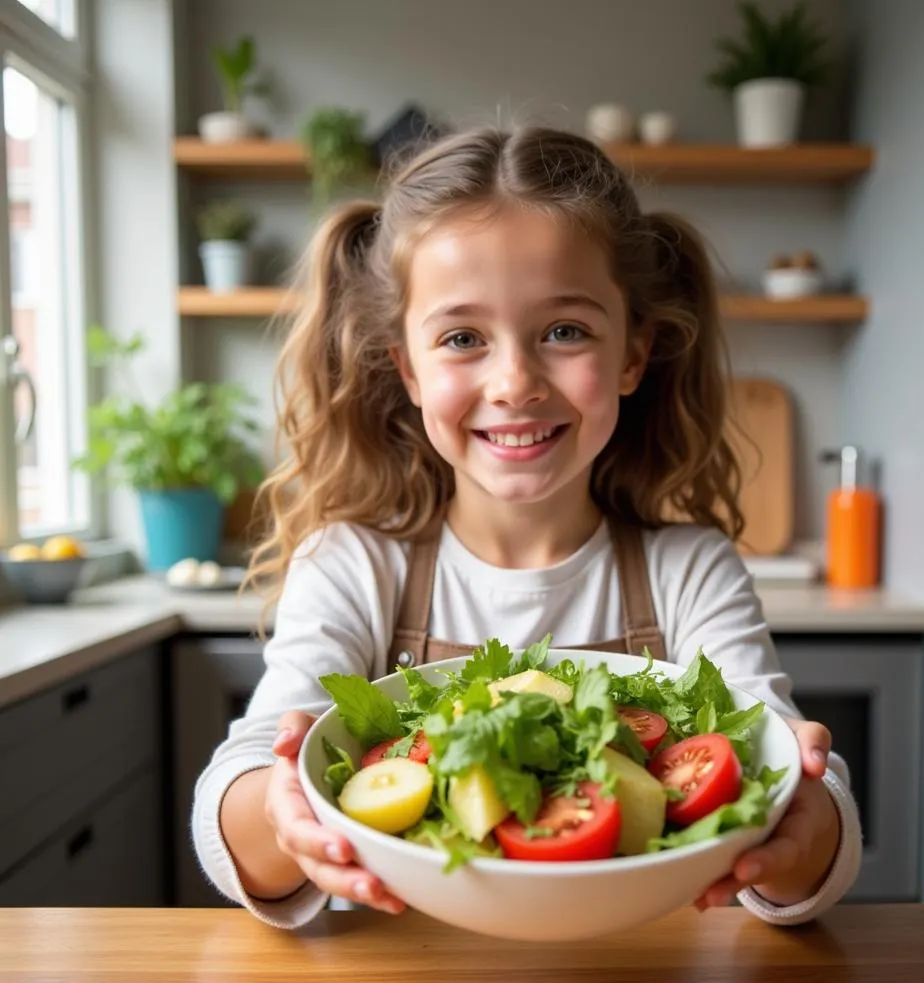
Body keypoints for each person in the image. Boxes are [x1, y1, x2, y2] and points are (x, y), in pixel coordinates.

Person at [192, 125, 861, 929]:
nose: (513, 382)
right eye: (462, 338)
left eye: (564, 331)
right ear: (406, 367)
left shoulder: (690, 571)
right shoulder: (354, 566)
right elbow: (231, 802)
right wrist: (281, 812)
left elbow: (792, 794)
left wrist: (806, 821)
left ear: (631, 356)